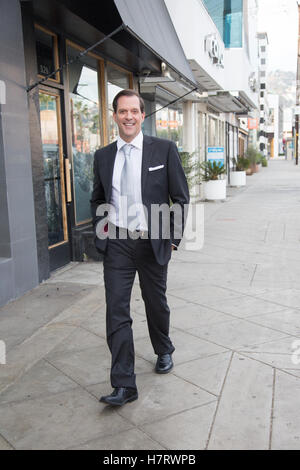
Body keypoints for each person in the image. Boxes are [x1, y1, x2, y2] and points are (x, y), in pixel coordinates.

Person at [90, 89, 189, 406]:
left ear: (142, 115)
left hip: (152, 240)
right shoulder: (103, 156)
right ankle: (123, 384)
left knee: (154, 302)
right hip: (117, 242)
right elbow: (98, 197)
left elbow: (180, 198)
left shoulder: (164, 149)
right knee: (116, 310)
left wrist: (172, 239)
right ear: (115, 115)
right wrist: (101, 234)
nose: (128, 117)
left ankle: (164, 349)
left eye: (134, 111)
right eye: (122, 111)